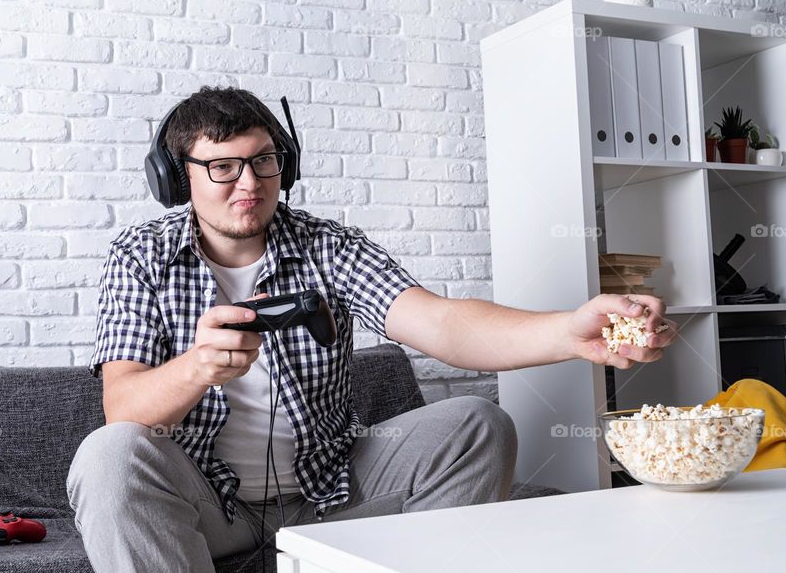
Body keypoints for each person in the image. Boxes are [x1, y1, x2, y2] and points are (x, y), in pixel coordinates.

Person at [66, 86, 678, 572]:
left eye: (263, 161)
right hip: (207, 506)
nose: (249, 184)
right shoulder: (140, 255)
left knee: (474, 424)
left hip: (329, 490)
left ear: (287, 164)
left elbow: (440, 322)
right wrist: (199, 365)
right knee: (108, 454)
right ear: (180, 178)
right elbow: (124, 407)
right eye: (223, 167)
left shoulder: (328, 246)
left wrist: (570, 332)